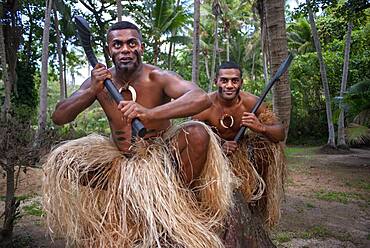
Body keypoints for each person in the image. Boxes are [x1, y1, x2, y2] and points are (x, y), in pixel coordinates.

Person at [43, 21, 234, 248]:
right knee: (64, 160)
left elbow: (200, 98)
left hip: (161, 161)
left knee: (197, 133)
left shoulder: (157, 76)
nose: (125, 49)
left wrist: (151, 114)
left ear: (141, 47)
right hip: (120, 164)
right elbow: (59, 117)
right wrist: (93, 90)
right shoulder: (99, 81)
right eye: (118, 44)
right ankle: (128, 197)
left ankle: (176, 202)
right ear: (109, 50)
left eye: (131, 43)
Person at [192, 61, 286, 228]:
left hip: (242, 155)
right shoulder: (204, 106)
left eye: (234, 81)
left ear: (241, 82)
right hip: (212, 158)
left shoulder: (250, 103)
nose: (229, 85)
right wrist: (218, 146)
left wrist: (261, 127)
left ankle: (257, 204)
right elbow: (191, 137)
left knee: (265, 149)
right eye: (224, 80)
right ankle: (203, 208)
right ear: (216, 81)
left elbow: (280, 133)